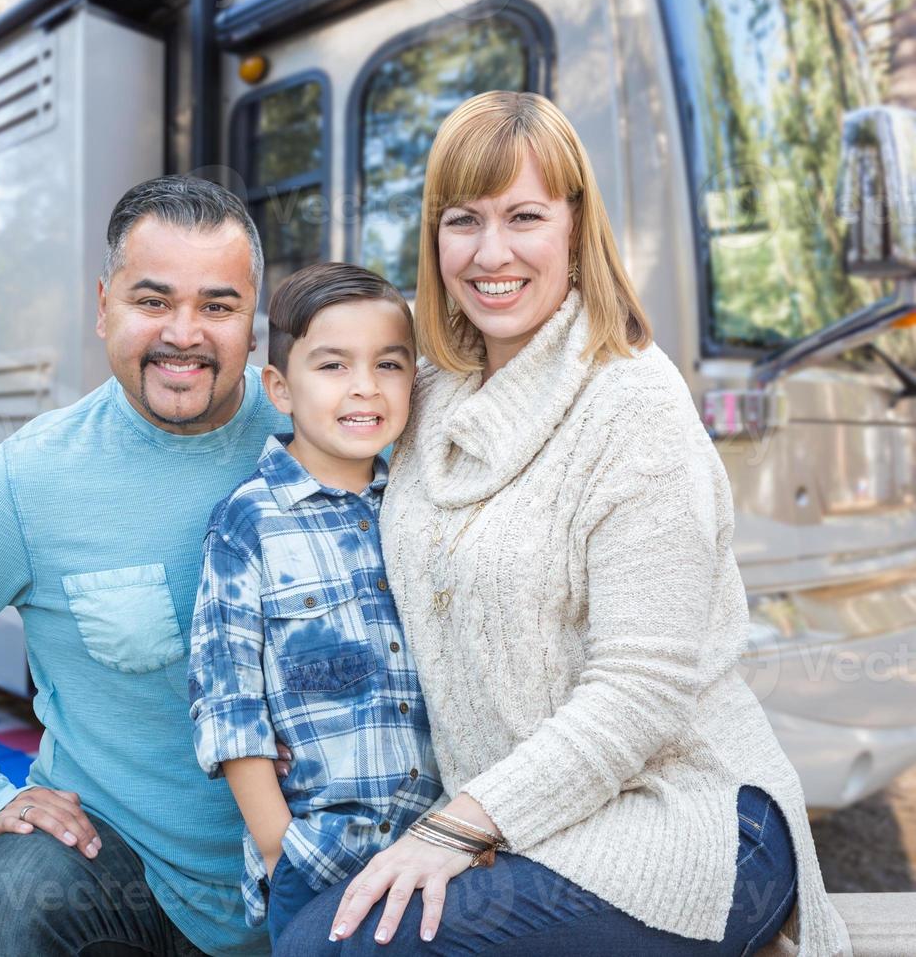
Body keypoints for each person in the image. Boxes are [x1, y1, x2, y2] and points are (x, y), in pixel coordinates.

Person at [276, 92, 850, 955]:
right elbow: (298, 420)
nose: (490, 252)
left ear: (575, 228)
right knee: (311, 923)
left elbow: (639, 692)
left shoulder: (632, 407)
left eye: (524, 216)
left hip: (685, 822)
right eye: (463, 220)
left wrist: (455, 829)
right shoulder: (426, 391)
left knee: (337, 947)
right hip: (523, 821)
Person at [0, 175, 290, 957]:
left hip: (317, 867)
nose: (183, 334)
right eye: (152, 301)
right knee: (14, 902)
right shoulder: (30, 480)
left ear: (252, 323)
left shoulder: (322, 425)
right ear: (102, 306)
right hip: (129, 873)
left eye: (217, 306)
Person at [187, 262, 445, 947]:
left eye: (388, 365)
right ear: (279, 387)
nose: (364, 387)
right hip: (323, 860)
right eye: (332, 366)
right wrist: (282, 852)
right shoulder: (249, 523)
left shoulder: (418, 507)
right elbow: (228, 708)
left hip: (440, 849)